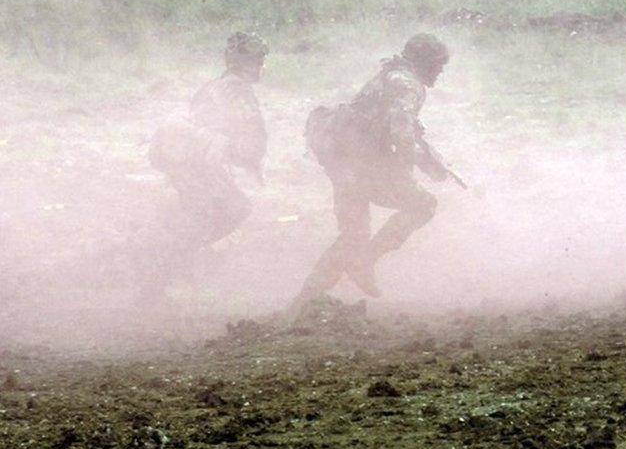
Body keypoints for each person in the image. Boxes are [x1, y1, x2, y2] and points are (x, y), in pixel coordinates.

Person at [292, 33, 460, 309]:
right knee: (423, 205)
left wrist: (430, 160)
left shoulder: (390, 76)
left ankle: (302, 303)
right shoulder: (408, 85)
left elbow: (390, 128)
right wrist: (426, 167)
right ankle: (366, 259)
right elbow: (402, 136)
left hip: (343, 163)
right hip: (361, 166)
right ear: (425, 63)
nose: (439, 72)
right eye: (438, 65)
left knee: (352, 236)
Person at [136, 31, 269, 304]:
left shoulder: (219, 86)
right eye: (255, 60)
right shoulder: (234, 90)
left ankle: (169, 268)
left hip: (195, 164)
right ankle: (158, 278)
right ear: (246, 62)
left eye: (259, 60)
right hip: (194, 165)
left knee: (215, 215)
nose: (258, 66)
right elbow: (243, 135)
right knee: (219, 214)